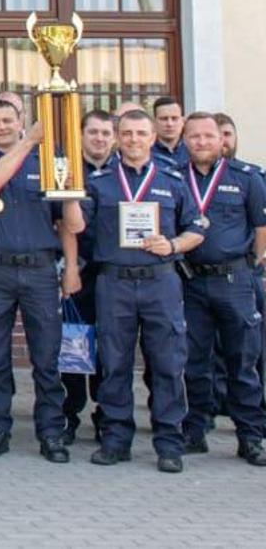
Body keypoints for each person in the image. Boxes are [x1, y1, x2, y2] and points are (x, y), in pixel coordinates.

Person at [67, 108, 205, 472]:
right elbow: (77, 226)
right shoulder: (100, 181)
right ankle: (115, 440)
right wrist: (65, 194)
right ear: (116, 137)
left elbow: (197, 229)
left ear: (151, 136)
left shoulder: (172, 179)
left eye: (140, 133)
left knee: (167, 363)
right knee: (114, 363)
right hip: (114, 282)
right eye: (125, 133)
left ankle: (169, 444)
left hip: (161, 279)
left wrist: (173, 245)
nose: (133, 140)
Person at [0, 100, 76, 462]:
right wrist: (29, 141)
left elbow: (71, 225)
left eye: (7, 121)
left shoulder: (47, 161)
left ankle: (51, 433)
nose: (1, 126)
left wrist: (72, 187)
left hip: (41, 270)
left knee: (46, 356)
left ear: (21, 121)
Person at [177, 112, 266, 465]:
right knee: (193, 361)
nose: (201, 142)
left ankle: (250, 437)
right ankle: (195, 430)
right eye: (194, 136)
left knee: (242, 361)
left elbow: (261, 225)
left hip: (234, 281)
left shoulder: (246, 178)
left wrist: (256, 264)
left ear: (221, 139)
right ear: (185, 140)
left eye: (208, 136)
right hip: (189, 281)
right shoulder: (175, 177)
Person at [61, 108, 120, 442]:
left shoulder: (122, 172)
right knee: (73, 343)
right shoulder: (66, 171)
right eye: (93, 132)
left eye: (105, 133)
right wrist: (68, 268)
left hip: (112, 274)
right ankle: (70, 414)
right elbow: (60, 223)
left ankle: (105, 414)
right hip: (77, 269)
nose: (99, 138)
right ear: (81, 135)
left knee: (109, 348)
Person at [152, 96, 186, 167]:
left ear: (182, 121)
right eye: (164, 119)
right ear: (154, 122)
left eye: (174, 118)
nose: (169, 124)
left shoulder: (193, 149)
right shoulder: (145, 152)